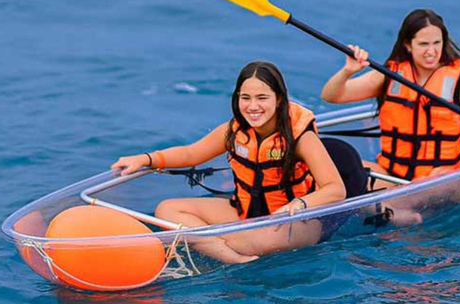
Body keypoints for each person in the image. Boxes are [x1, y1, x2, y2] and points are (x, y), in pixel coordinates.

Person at [112, 61, 346, 263]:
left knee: (240, 239)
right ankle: (230, 257)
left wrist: (300, 204)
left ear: (279, 100)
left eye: (262, 98)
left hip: (294, 222)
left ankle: (203, 243)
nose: (253, 106)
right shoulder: (233, 131)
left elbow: (336, 189)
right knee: (167, 209)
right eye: (246, 98)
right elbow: (190, 154)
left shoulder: (301, 138)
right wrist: (145, 158)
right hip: (245, 213)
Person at [321, 9, 460, 187]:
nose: (432, 51)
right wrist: (348, 71)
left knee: (436, 181)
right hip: (394, 177)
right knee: (337, 166)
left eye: (437, 43)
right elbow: (331, 96)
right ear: (408, 45)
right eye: (423, 44)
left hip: (448, 179)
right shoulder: (390, 76)